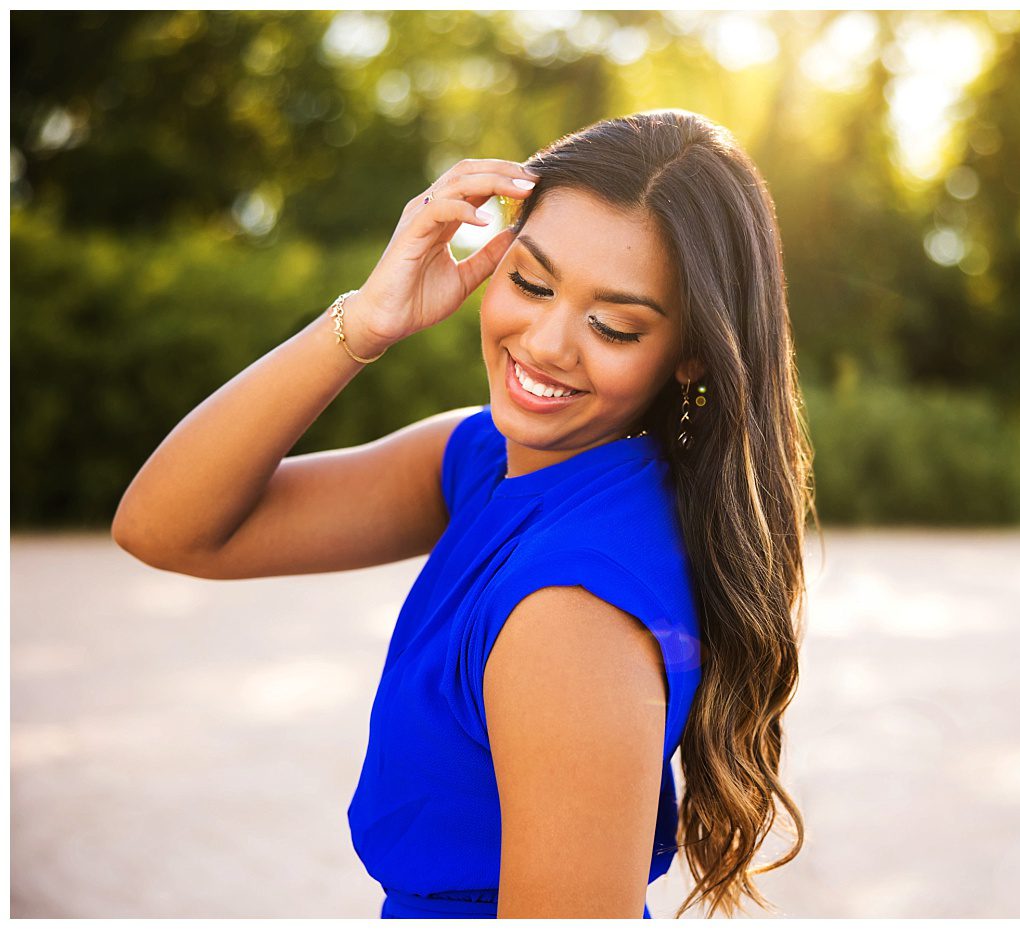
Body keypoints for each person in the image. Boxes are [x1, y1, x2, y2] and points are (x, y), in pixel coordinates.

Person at [111, 110, 810, 917]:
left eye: (614, 324)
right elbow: (164, 526)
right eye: (531, 282)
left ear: (691, 351)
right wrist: (367, 321)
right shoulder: (485, 459)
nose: (547, 342)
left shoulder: (570, 613)